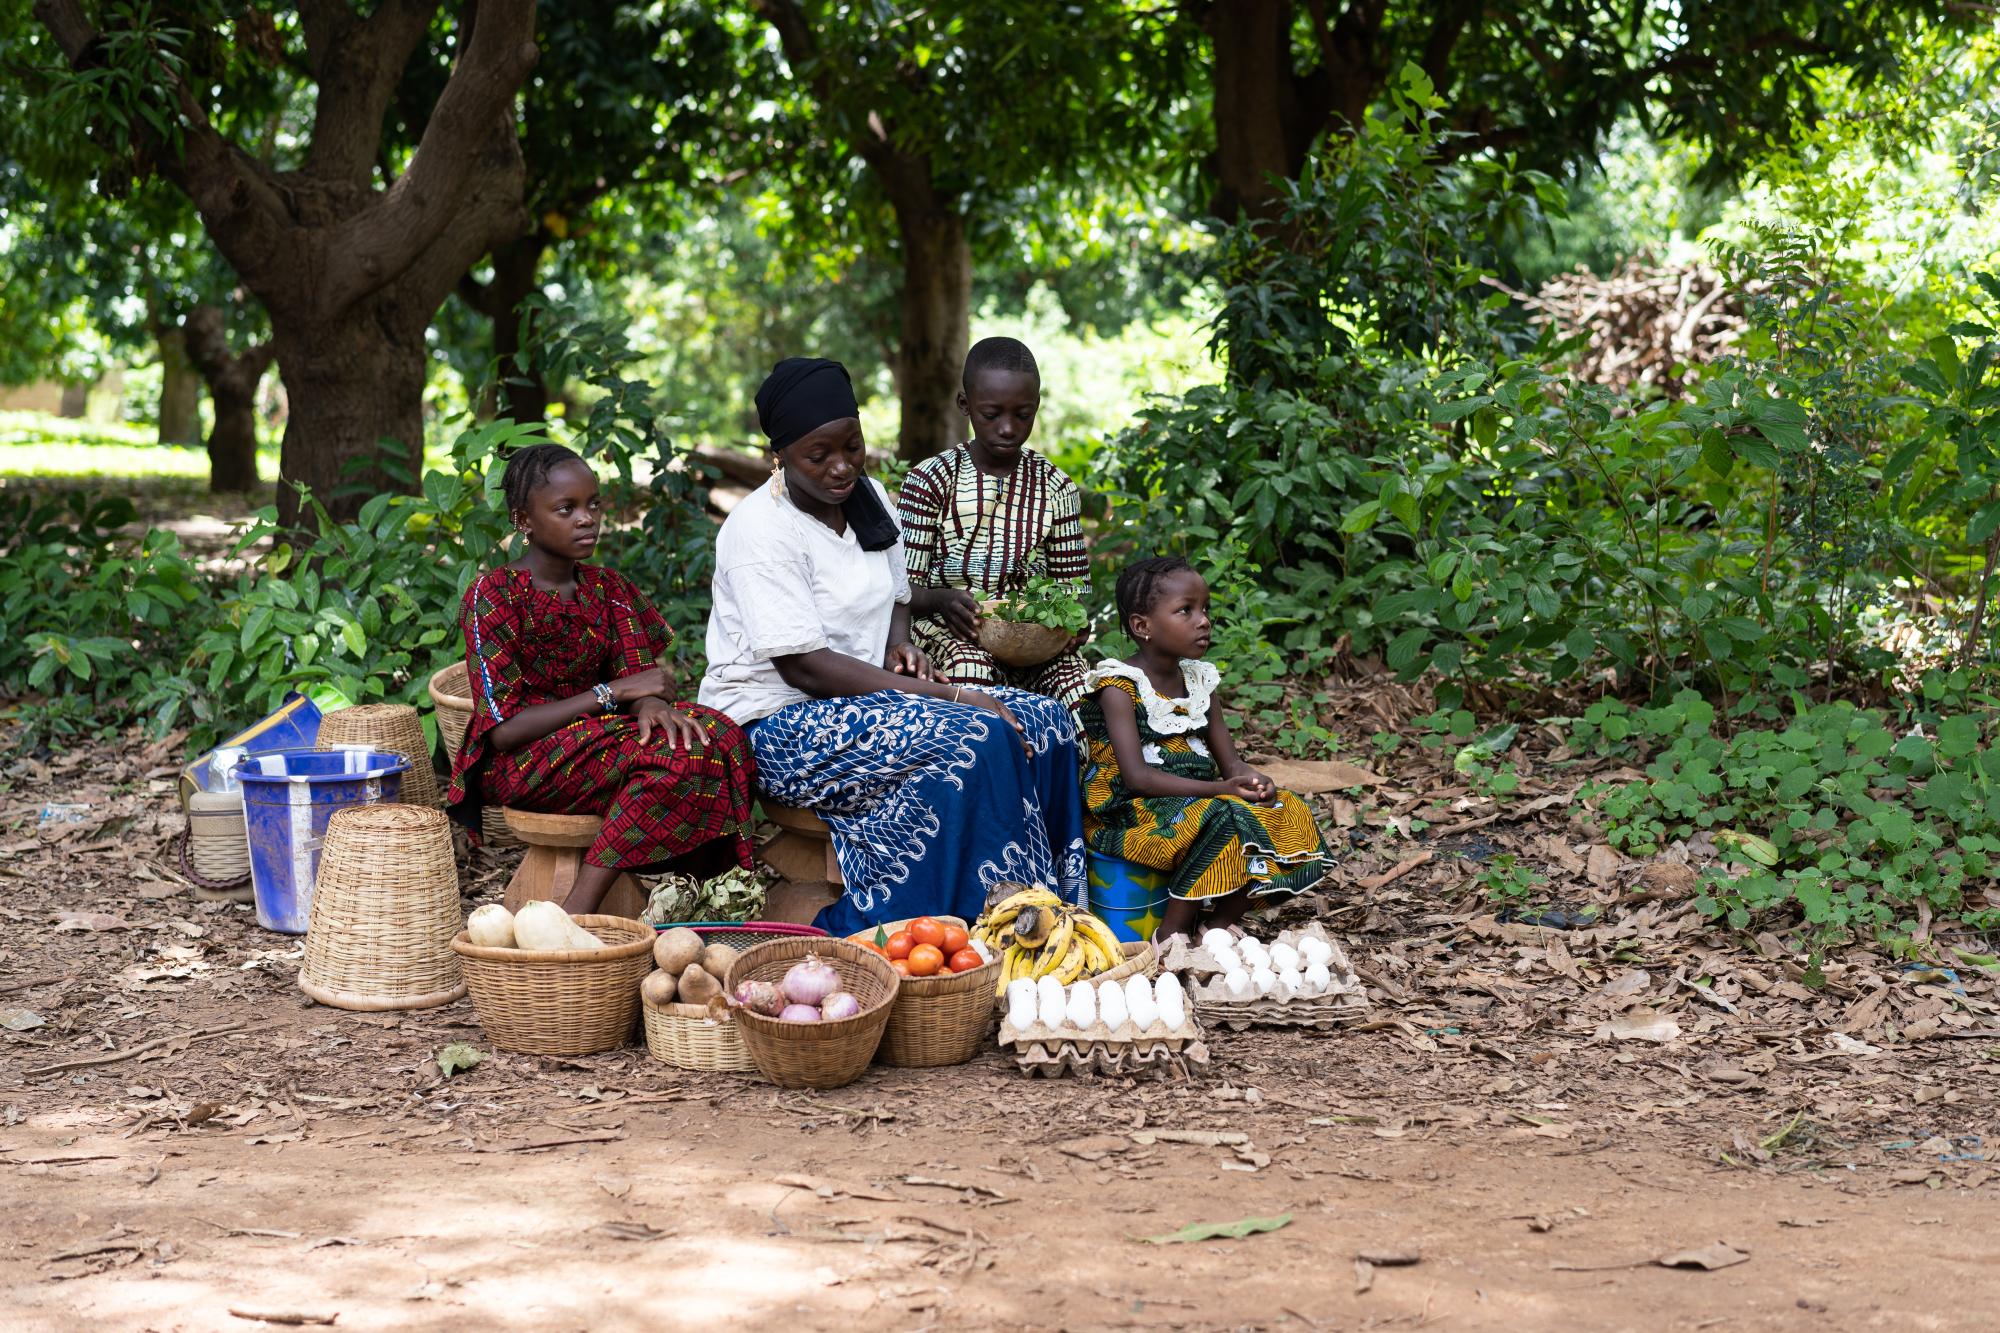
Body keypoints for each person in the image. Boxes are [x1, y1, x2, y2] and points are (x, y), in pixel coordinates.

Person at [700, 356, 1087, 939]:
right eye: (818, 455)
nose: (841, 467)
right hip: (778, 724)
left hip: (865, 701)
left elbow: (898, 593)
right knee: (974, 734)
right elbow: (804, 667)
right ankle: (942, 927)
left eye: (851, 446)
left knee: (1048, 721)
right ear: (777, 454)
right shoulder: (761, 530)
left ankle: (1052, 919)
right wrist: (948, 693)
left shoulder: (868, 497)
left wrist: (898, 644)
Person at [446, 443, 758, 914]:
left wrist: (651, 706)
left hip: (604, 738)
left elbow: (644, 680)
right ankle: (577, 911)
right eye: (565, 508)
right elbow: (504, 728)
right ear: (524, 521)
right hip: (525, 758)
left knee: (722, 735)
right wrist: (610, 694)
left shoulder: (607, 588)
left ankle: (701, 892)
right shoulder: (493, 595)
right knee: (671, 761)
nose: (587, 518)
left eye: (593, 504)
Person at [1079, 555, 1329, 943]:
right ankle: (1171, 933)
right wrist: (1221, 790)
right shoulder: (1118, 687)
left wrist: (1254, 781)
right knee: (1221, 818)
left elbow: (1230, 763)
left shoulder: (1200, 682)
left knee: (1285, 809)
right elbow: (1136, 778)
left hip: (1194, 797)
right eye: (1186, 611)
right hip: (1127, 808)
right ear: (1142, 626)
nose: (1204, 620)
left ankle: (1215, 926)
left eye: (1205, 609)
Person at [897, 337, 1090, 709]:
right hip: (949, 632)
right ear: (965, 405)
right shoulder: (931, 480)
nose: (1008, 428)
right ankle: (981, 764)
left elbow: (1074, 590)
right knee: (972, 674)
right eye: (992, 414)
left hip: (1036, 640)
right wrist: (942, 600)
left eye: (1023, 414)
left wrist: (1072, 625)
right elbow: (902, 589)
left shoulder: (1056, 486)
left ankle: (1097, 767)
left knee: (1081, 689)